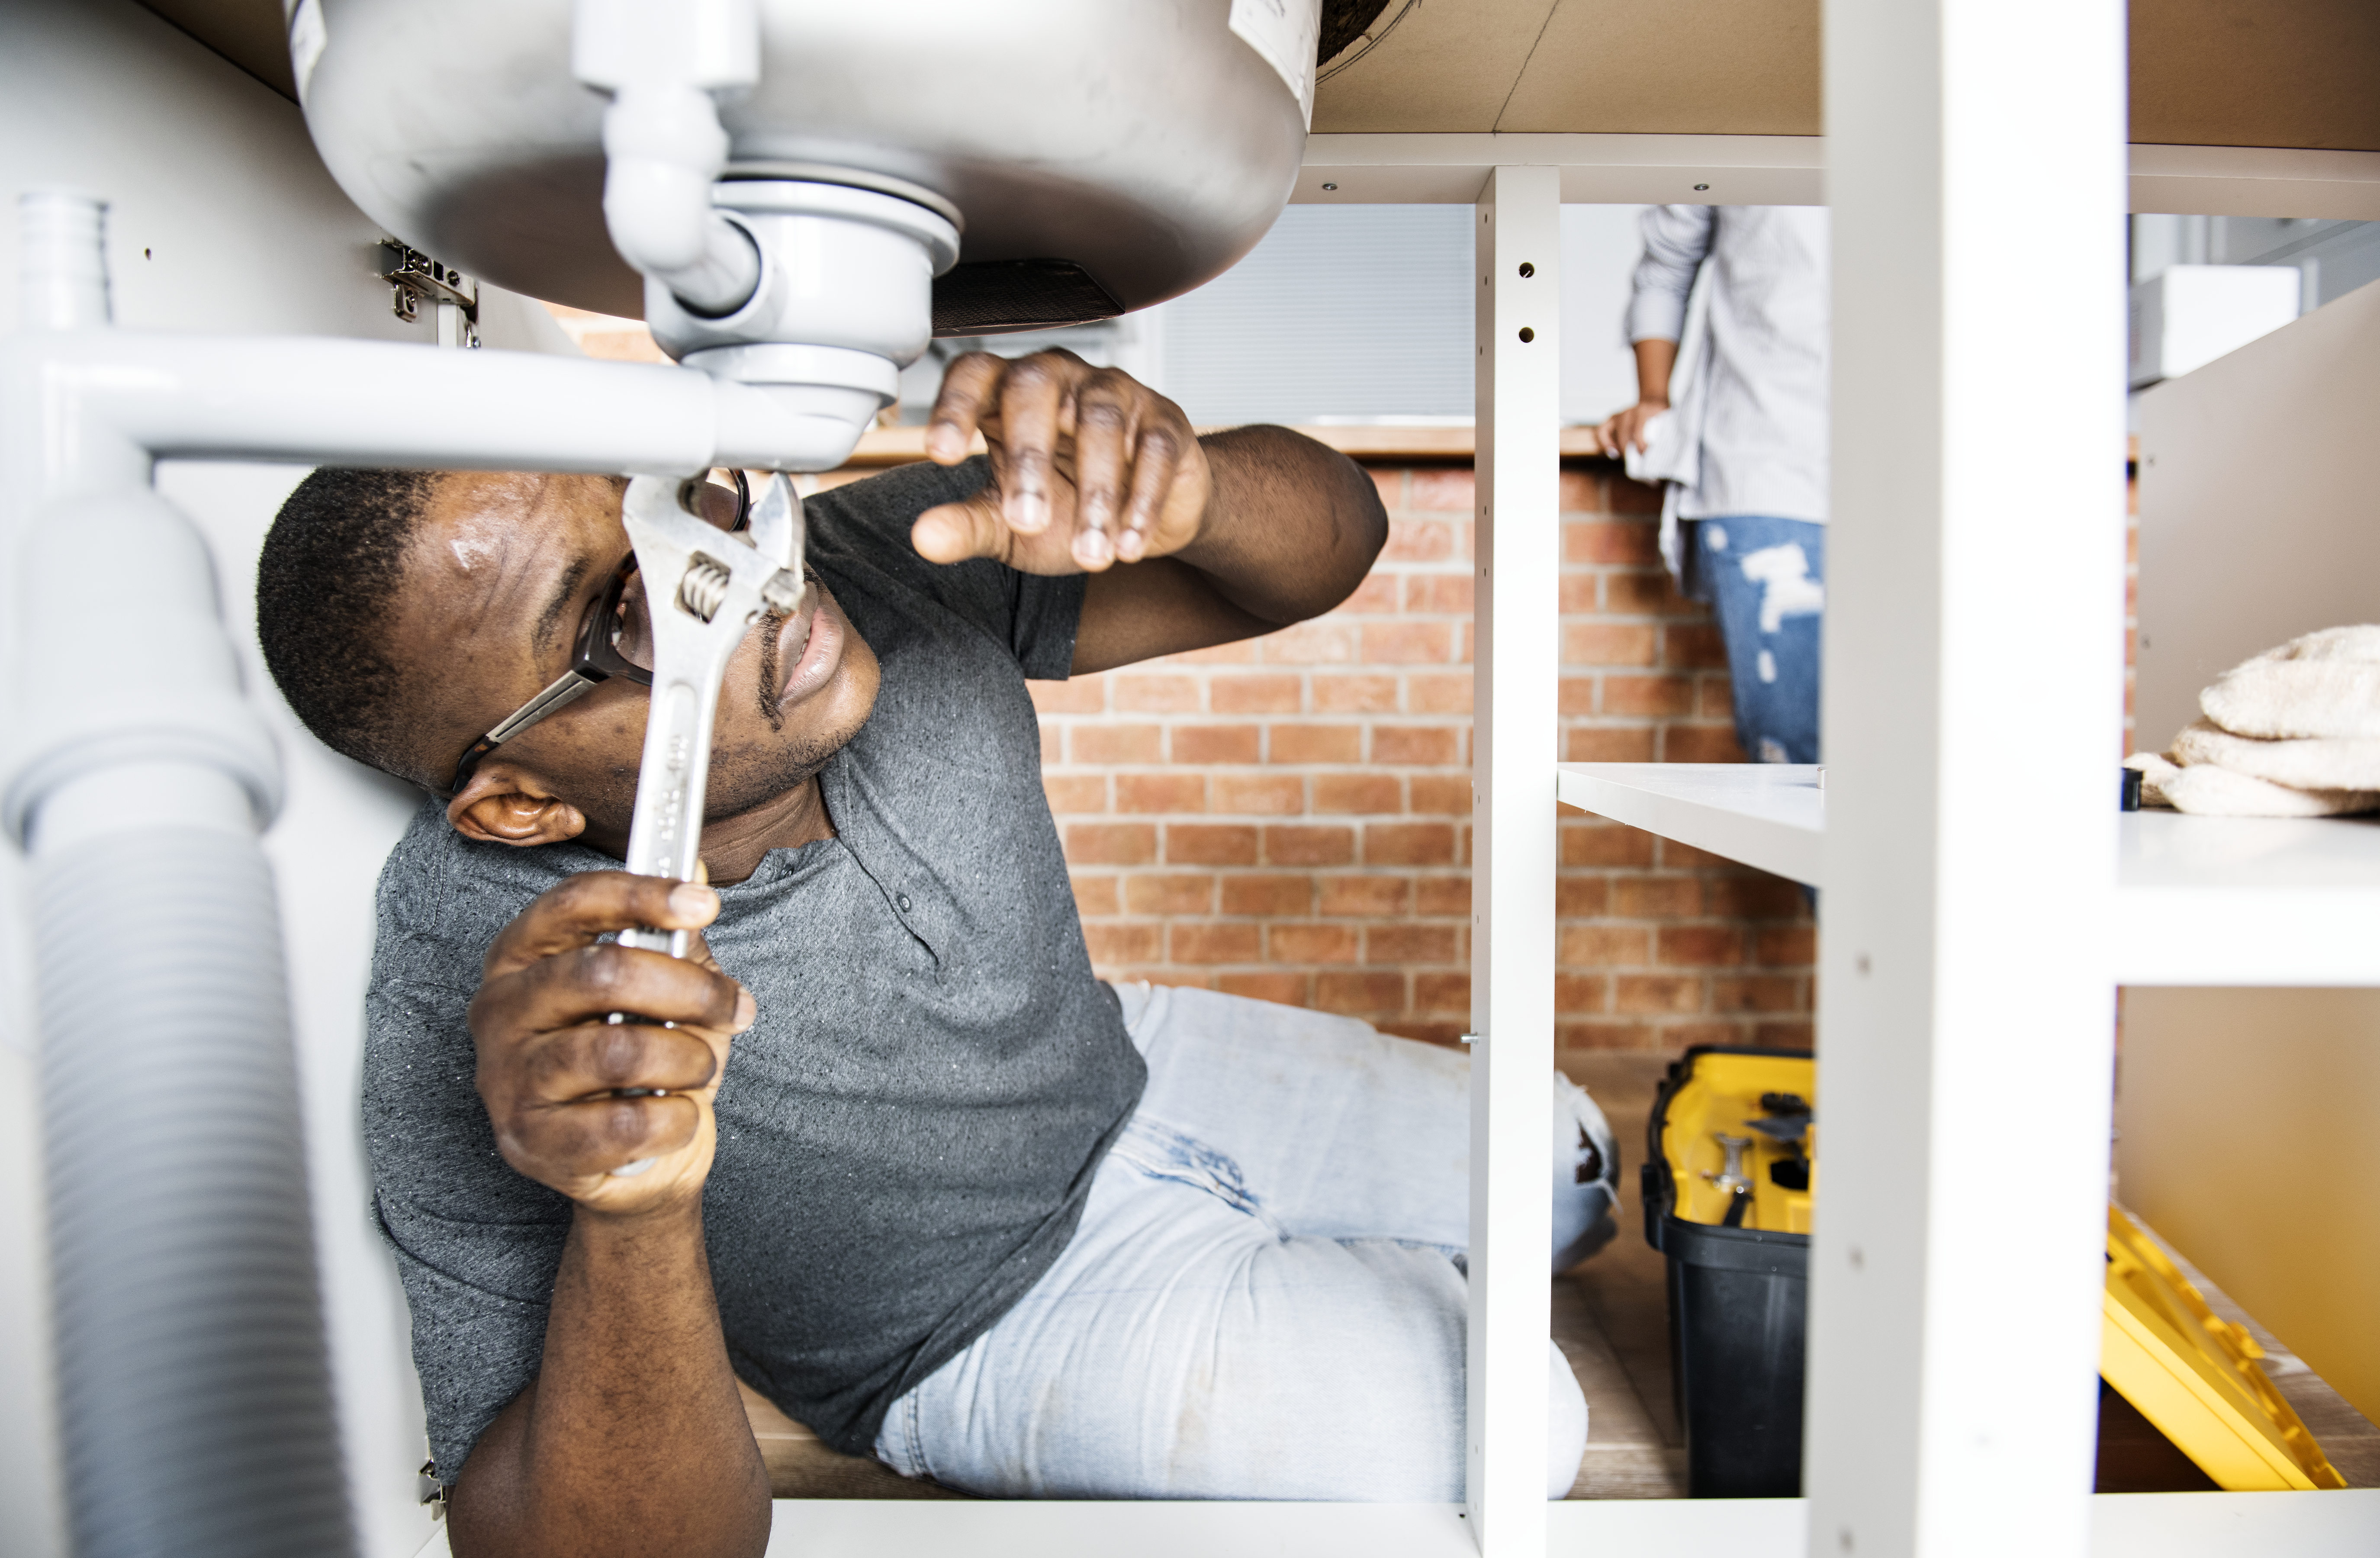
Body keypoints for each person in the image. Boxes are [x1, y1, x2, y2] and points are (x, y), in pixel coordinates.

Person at [255, 349, 1621, 1558]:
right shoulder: (486, 987)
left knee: (1569, 1170)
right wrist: (632, 1203)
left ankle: (1408, 1247)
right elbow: (554, 1540)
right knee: (1521, 1424)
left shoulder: (871, 559)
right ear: (521, 803)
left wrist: (1187, 482)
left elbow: (1333, 546)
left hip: (1124, 1063)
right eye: (626, 612)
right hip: (977, 1326)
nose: (750, 588)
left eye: (686, 506)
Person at [1597, 205, 1830, 766]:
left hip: (1922, 473)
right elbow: (1665, 267)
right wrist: (1653, 396)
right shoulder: (1737, 123)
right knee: (1794, 753)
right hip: (1763, 463)